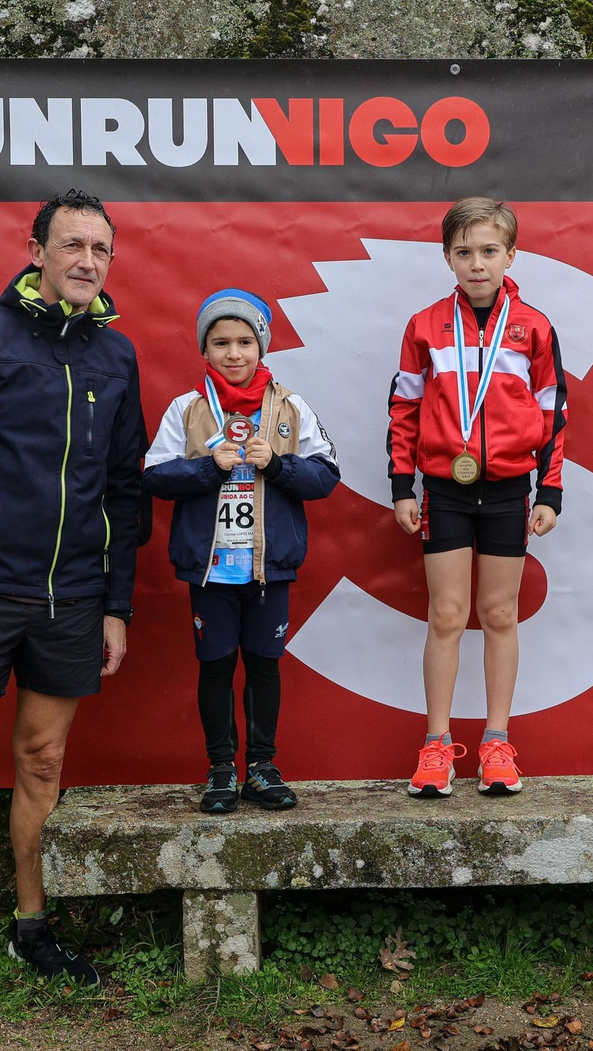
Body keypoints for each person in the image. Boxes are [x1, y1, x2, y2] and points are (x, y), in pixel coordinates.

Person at [0, 190, 144, 1046]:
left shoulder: (117, 357)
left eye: (103, 249)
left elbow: (124, 490)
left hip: (74, 599)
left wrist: (115, 603)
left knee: (42, 761)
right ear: (35, 250)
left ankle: (30, 926)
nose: (88, 260)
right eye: (73, 244)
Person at [387, 197, 566, 798]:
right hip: (444, 488)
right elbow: (404, 409)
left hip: (512, 488)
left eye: (489, 251)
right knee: (446, 614)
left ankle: (496, 742)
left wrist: (551, 490)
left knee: (499, 615)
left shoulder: (534, 327)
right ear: (447, 258)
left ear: (511, 255)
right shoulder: (424, 325)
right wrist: (401, 485)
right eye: (464, 252)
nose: (477, 263)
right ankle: (436, 746)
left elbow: (553, 413)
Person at [144, 288, 339, 814]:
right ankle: (221, 771)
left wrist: (276, 464)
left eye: (245, 342)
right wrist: (211, 468)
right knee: (215, 665)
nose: (234, 353)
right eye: (221, 342)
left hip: (268, 569)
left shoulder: (291, 405)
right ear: (204, 350)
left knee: (264, 666)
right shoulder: (186, 408)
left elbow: (326, 476)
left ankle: (262, 767)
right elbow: (154, 475)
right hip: (210, 570)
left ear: (262, 346)